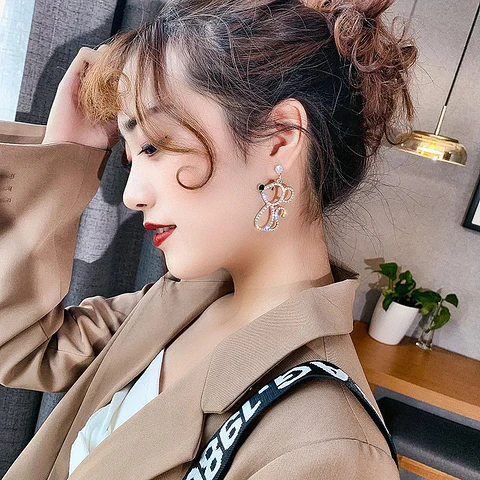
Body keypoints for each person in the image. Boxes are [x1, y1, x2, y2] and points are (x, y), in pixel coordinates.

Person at [0, 0, 417, 478]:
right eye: (130, 156)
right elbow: (21, 344)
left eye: (153, 146)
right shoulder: (180, 302)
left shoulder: (324, 448)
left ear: (280, 139)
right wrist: (68, 154)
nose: (132, 195)